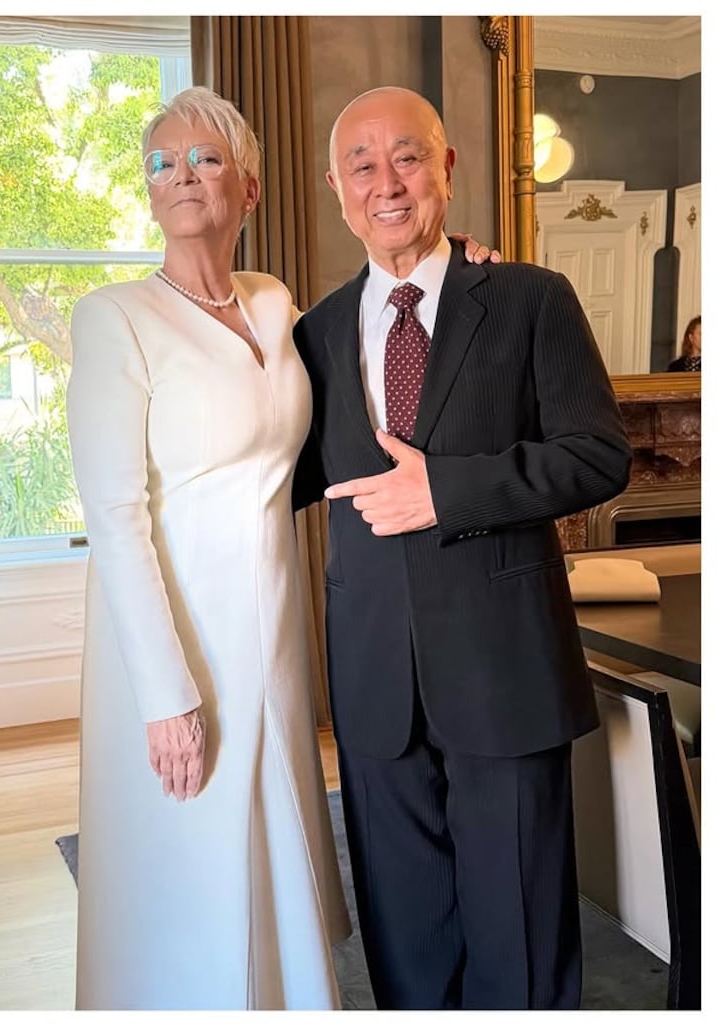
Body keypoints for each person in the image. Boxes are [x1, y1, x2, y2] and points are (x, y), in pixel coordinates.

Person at [65, 84, 493, 1011]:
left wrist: (466, 277)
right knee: (189, 872)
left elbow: (385, 335)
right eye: (161, 163)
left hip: (276, 633)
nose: (181, 177)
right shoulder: (114, 318)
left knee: (275, 851)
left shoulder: (274, 307)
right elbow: (115, 515)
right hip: (174, 640)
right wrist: (164, 693)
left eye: (205, 159)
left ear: (249, 190)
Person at [292, 86, 632, 1010]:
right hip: (372, 683)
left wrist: (443, 489)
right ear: (334, 185)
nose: (386, 181)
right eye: (361, 163)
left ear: (447, 168)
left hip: (506, 669)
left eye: (408, 156)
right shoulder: (312, 334)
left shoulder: (529, 297)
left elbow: (599, 457)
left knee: (520, 940)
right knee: (405, 946)